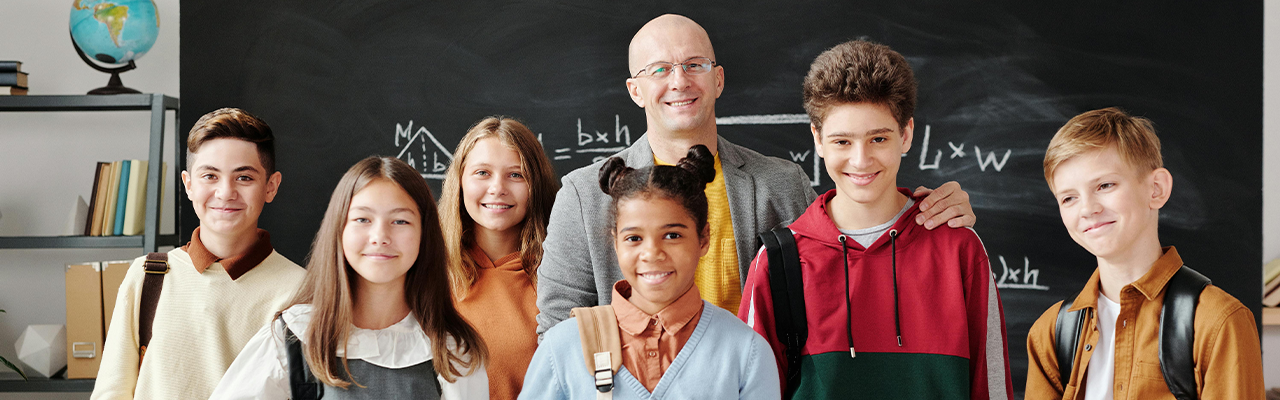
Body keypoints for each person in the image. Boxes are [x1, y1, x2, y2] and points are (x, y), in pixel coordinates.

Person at [535, 14, 978, 338]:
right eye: (660, 70)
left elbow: (841, 260)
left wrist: (919, 210)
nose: (680, 81)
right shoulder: (584, 193)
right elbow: (558, 326)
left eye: (695, 65)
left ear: (719, 79)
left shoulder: (782, 183)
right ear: (635, 90)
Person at [738, 40, 1013, 399]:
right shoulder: (777, 262)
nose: (861, 160)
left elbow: (990, 388)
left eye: (878, 138)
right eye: (842, 142)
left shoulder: (959, 247)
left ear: (906, 135)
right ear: (817, 140)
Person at [1024, 108, 1263, 399]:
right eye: (1069, 198)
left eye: (1105, 185)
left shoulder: (1218, 322)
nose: (1087, 209)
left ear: (1156, 189)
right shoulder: (1050, 332)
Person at [209, 156, 488, 399]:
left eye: (400, 221)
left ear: (425, 235)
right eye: (362, 219)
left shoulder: (453, 350)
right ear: (339, 230)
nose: (380, 237)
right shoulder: (292, 337)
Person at [521, 145, 779, 399]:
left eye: (672, 235)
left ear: (703, 239)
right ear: (615, 244)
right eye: (634, 238)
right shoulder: (562, 348)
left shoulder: (747, 351)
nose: (652, 252)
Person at [92, 108, 306, 400]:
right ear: (189, 184)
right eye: (210, 176)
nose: (225, 192)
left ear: (271, 186)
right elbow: (111, 393)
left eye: (244, 178)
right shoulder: (148, 276)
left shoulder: (302, 290)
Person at [439, 117, 558, 399]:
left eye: (516, 175)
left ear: (536, 186)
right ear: (460, 181)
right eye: (482, 173)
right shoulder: (428, 269)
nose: (497, 188)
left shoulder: (562, 276)